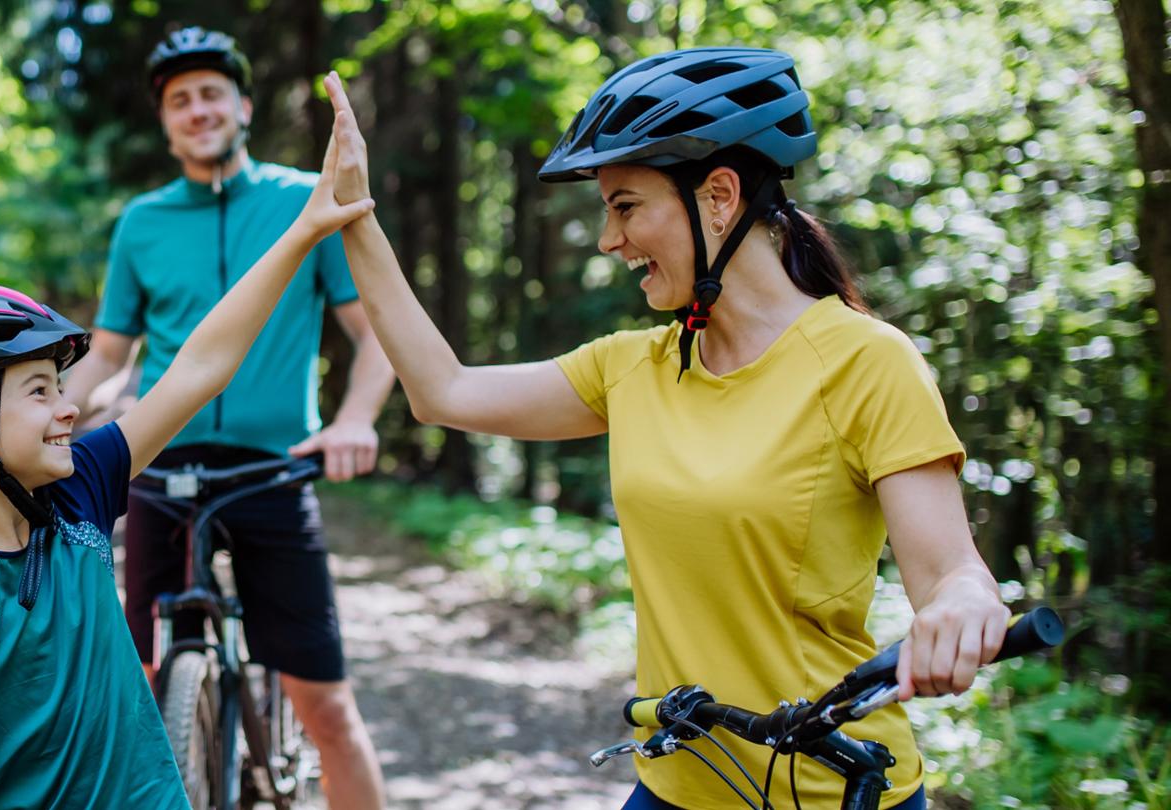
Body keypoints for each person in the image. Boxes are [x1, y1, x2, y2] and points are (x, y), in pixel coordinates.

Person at [320, 51, 1010, 809]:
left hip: (828, 789)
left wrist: (963, 606)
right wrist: (356, 215)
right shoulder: (632, 368)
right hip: (677, 781)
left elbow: (950, 571)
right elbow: (441, 390)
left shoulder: (866, 362)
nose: (607, 241)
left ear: (719, 196)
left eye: (625, 207)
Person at [0, 80, 375, 809]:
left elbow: (200, 366)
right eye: (41, 390)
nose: (69, 408)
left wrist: (303, 231)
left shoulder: (79, 491)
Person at [59, 28, 394, 808]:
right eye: (180, 101)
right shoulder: (141, 221)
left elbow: (372, 332)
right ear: (165, 123)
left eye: (211, 93)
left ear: (243, 105)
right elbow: (110, 354)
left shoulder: (301, 201)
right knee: (142, 686)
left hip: (274, 470)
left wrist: (356, 419)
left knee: (328, 709)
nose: (197, 110)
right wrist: (62, 414)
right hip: (159, 470)